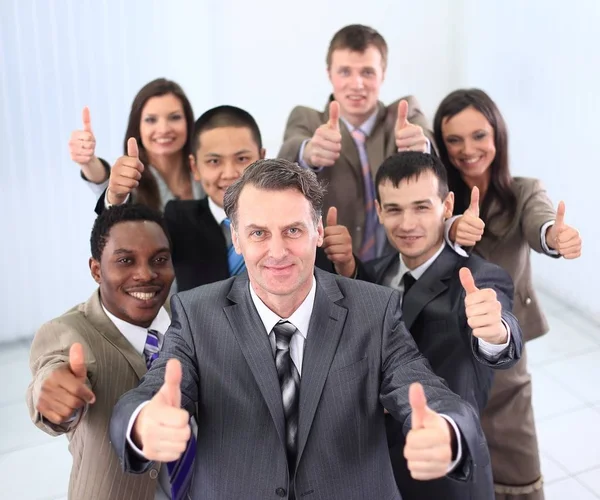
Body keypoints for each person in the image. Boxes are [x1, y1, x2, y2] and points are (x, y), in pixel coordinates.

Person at [110, 158, 489, 500]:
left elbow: (427, 390)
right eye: (258, 233)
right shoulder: (195, 313)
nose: (277, 252)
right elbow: (148, 393)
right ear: (237, 239)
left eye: (293, 230)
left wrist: (447, 431)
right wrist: (142, 424)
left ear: (318, 232)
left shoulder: (375, 309)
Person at [434, 88, 583, 500]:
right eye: (454, 140)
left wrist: (555, 236)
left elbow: (541, 223)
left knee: (517, 470)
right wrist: (448, 229)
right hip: (445, 355)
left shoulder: (523, 191)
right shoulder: (438, 198)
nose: (468, 150)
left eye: (479, 135)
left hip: (505, 361)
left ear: (498, 136)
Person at [366, 151, 524, 500]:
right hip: (377, 470)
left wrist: (496, 331)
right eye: (394, 209)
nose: (407, 224)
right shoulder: (373, 272)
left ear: (447, 205)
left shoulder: (481, 276)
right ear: (378, 210)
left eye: (422, 207)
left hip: (446, 471)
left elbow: (501, 340)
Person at [26, 204, 181, 500]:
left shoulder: (193, 318)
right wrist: (52, 395)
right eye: (125, 261)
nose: (146, 274)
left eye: (159, 259)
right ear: (97, 269)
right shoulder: (68, 332)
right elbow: (52, 372)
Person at [164, 105, 365, 292]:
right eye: (214, 161)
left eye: (242, 159)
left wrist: (346, 265)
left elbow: (361, 296)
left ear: (261, 158)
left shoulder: (299, 217)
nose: (229, 173)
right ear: (195, 167)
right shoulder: (177, 220)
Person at [278, 24, 434, 261]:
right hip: (330, 267)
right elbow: (289, 151)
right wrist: (308, 153)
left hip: (396, 266)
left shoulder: (404, 113)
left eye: (367, 72)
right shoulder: (307, 118)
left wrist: (422, 149)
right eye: (345, 72)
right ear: (329, 73)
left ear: (383, 73)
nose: (357, 84)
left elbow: (429, 143)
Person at [69, 78, 203, 211]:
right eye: (151, 120)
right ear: (138, 126)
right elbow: (108, 185)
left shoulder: (205, 171)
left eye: (174, 117)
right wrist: (89, 162)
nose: (163, 129)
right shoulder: (131, 181)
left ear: (188, 122)